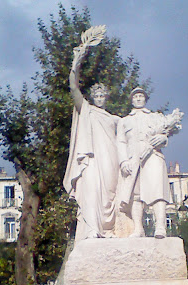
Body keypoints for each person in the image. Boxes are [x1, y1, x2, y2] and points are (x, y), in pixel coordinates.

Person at [63, 46, 119, 241]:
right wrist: (75, 65)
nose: (100, 98)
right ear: (93, 98)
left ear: (107, 97)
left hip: (111, 160)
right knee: (92, 191)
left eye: (103, 95)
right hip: (92, 158)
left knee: (110, 195)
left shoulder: (114, 119)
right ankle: (92, 229)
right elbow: (73, 89)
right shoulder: (87, 110)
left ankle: (110, 229)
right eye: (97, 95)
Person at [117, 87, 183, 238]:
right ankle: (138, 228)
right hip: (133, 159)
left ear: (145, 99)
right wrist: (123, 162)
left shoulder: (156, 117)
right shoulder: (124, 121)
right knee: (135, 194)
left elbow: (165, 136)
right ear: (131, 100)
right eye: (135, 96)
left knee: (157, 190)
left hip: (153, 156)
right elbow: (120, 142)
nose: (138, 99)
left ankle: (160, 227)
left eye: (141, 96)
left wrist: (163, 139)